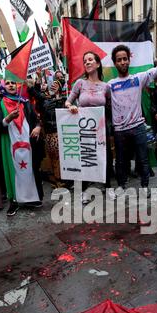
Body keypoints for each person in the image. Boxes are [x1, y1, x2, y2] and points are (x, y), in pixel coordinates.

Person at [107, 33, 157, 197]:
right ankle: (121, 185)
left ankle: (145, 186)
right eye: (119, 60)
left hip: (138, 127)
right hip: (119, 130)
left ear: (129, 60)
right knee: (120, 161)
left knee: (143, 159)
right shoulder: (110, 85)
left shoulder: (138, 79)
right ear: (115, 63)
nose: (122, 62)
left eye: (125, 58)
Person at [65, 51, 114, 203]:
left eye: (90, 60)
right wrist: (71, 107)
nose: (87, 62)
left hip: (101, 129)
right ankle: (85, 190)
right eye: (85, 60)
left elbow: (110, 107)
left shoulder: (106, 87)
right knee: (86, 158)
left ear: (97, 64)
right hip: (84, 129)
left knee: (105, 156)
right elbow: (68, 102)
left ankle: (108, 187)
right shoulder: (79, 83)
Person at [0, 80, 43, 216]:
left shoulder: (24, 101)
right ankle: (14, 201)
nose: (11, 85)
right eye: (7, 83)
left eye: (13, 83)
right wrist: (8, 118)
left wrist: (38, 126)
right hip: (10, 141)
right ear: (3, 87)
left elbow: (36, 117)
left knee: (29, 170)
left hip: (28, 141)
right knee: (13, 170)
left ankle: (31, 198)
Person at [30, 78, 66, 188]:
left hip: (60, 133)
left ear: (60, 88)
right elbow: (35, 95)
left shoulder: (64, 100)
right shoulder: (46, 100)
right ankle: (56, 180)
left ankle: (62, 180)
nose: (53, 86)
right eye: (52, 84)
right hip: (49, 134)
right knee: (53, 157)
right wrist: (35, 83)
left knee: (60, 158)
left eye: (56, 85)